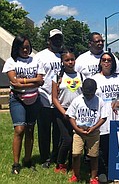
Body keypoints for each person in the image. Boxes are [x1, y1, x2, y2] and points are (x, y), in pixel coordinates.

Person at [2, 35, 44, 174]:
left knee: (30, 129)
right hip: (17, 99)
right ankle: (16, 163)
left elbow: (41, 81)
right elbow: (15, 84)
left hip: (34, 99)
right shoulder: (11, 62)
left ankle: (28, 160)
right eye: (22, 47)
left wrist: (24, 81)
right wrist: (33, 81)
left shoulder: (36, 60)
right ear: (17, 47)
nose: (25, 50)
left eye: (27, 47)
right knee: (19, 129)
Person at [66, 78, 108, 183]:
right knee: (76, 154)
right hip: (79, 131)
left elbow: (103, 117)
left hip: (93, 132)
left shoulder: (99, 101)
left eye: (91, 94)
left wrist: (94, 128)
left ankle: (93, 177)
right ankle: (76, 174)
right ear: (82, 90)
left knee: (94, 155)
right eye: (86, 94)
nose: (88, 96)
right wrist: (76, 129)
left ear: (95, 91)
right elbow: (70, 116)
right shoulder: (77, 100)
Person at [91, 52, 119, 181]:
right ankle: (103, 172)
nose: (106, 62)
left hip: (118, 116)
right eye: (103, 60)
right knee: (103, 147)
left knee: (116, 146)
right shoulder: (95, 79)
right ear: (100, 63)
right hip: (102, 117)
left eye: (109, 60)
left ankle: (116, 171)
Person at [34, 28, 63, 168]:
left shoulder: (64, 56)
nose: (57, 41)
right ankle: (45, 157)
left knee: (58, 131)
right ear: (49, 41)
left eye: (59, 38)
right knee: (44, 131)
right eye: (55, 39)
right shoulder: (40, 56)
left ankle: (57, 156)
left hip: (60, 101)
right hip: (44, 98)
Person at [51, 49, 83, 173]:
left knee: (75, 139)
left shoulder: (80, 75)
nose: (70, 62)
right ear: (62, 62)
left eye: (72, 59)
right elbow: (54, 98)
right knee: (66, 139)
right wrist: (64, 113)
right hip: (62, 111)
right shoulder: (58, 76)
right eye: (67, 60)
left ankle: (71, 163)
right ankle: (60, 163)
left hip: (77, 113)